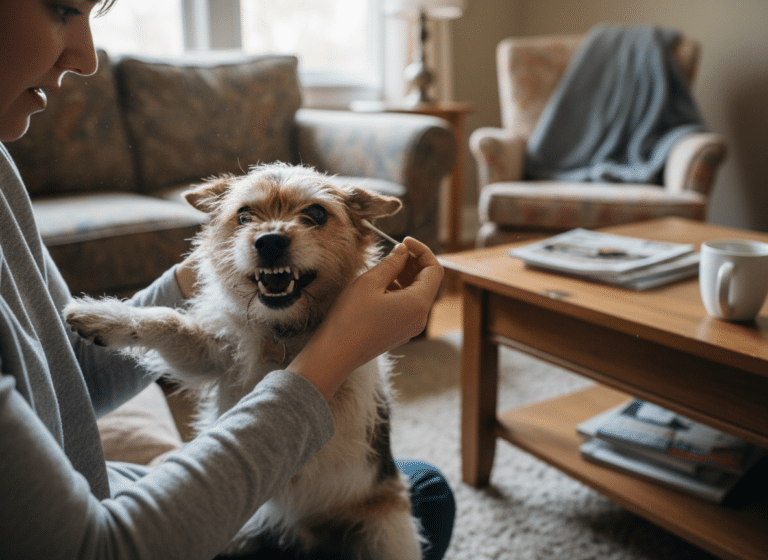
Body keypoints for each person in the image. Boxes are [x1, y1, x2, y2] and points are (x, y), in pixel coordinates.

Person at [0, 1, 455, 558]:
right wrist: (338, 349)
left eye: (312, 216)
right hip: (124, 535)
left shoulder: (2, 167)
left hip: (113, 492)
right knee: (428, 493)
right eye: (64, 8)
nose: (88, 58)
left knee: (424, 491)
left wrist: (175, 292)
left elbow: (67, 378)